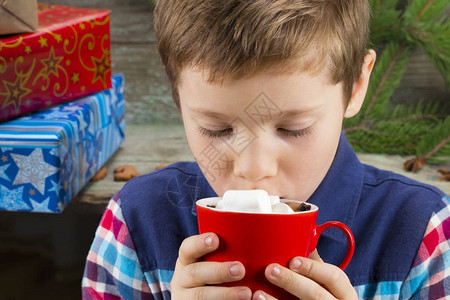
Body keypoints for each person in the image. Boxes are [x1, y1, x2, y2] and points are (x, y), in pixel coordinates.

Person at [82, 0, 449, 299]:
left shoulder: (423, 235)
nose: (253, 169)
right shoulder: (134, 224)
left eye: (293, 128)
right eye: (217, 128)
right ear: (178, 96)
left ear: (354, 86)